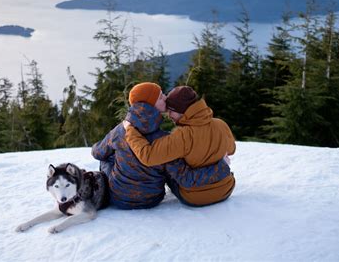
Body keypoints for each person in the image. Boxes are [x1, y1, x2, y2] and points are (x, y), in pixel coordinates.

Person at [92, 82, 229, 209]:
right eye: (160, 97)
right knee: (167, 166)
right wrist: (221, 165)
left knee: (107, 156)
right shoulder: (165, 138)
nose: (165, 97)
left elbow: (97, 152)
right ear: (151, 105)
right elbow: (184, 175)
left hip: (118, 198)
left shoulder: (120, 130)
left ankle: (105, 187)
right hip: (152, 199)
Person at [124, 85, 236, 207]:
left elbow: (148, 156)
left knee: (168, 161)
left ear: (183, 111)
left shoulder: (182, 136)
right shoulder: (220, 124)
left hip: (195, 197)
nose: (169, 115)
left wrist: (130, 130)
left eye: (171, 111)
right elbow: (231, 149)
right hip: (226, 189)